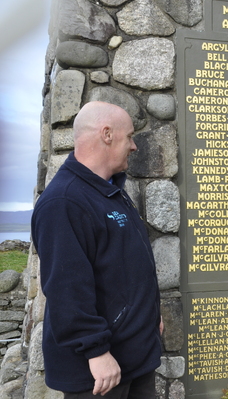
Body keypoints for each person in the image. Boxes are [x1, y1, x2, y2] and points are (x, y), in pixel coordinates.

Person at [31, 101, 163, 398]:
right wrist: (96, 352)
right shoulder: (64, 202)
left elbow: (125, 267)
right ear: (107, 134)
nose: (134, 146)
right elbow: (66, 288)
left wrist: (151, 314)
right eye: (129, 136)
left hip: (135, 358)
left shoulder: (110, 192)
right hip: (100, 372)